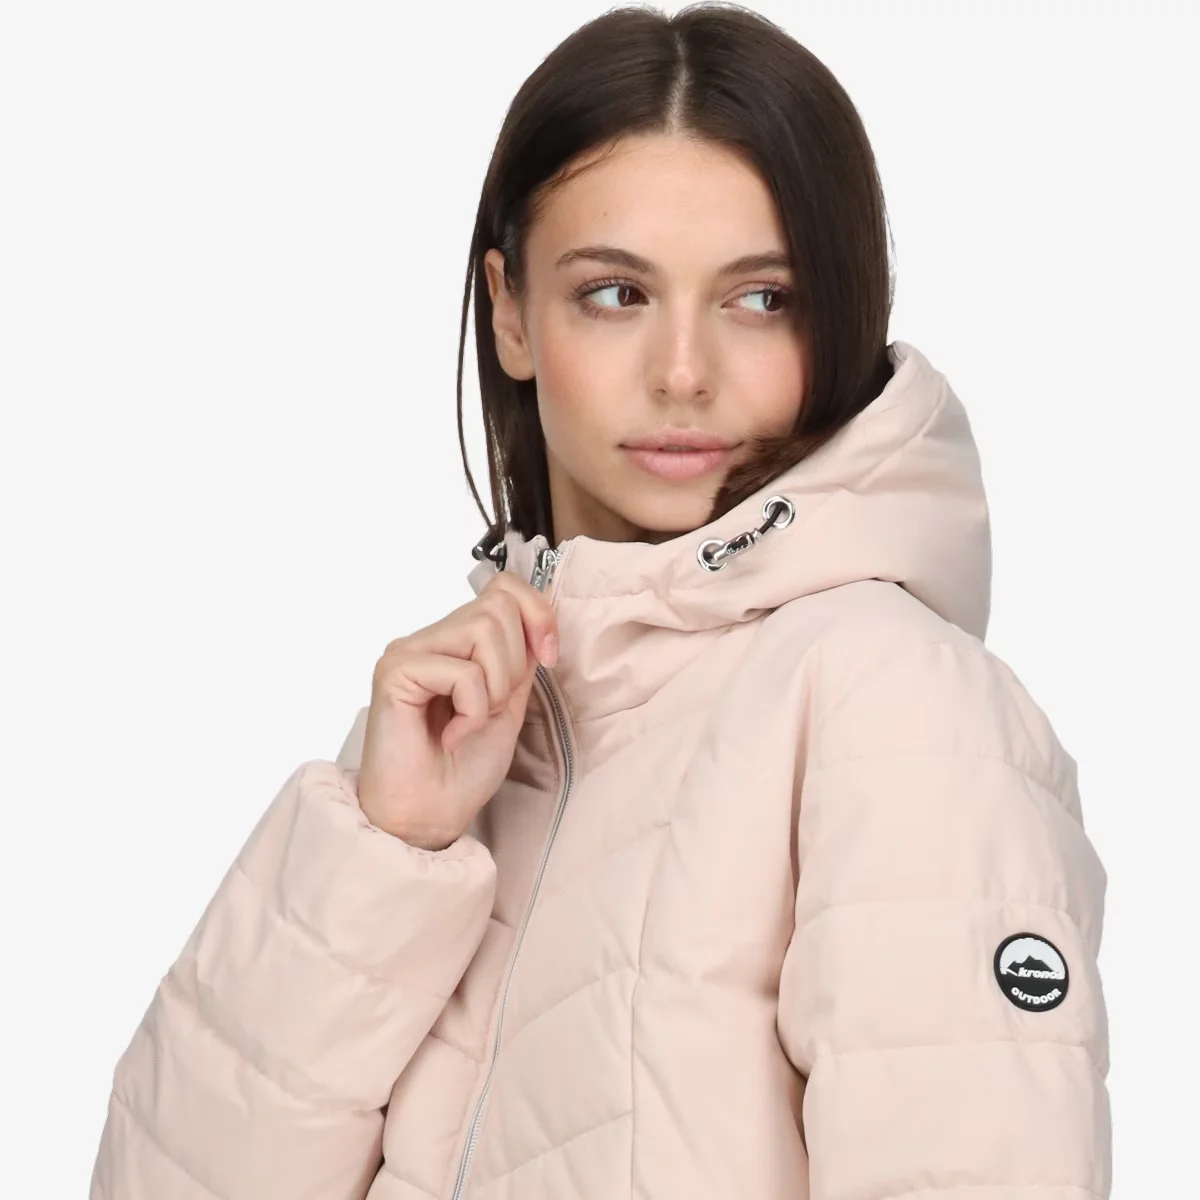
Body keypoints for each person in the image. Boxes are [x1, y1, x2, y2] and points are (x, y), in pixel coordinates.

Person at [88, 4, 1112, 1199]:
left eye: (761, 299)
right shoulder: (455, 733)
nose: (683, 373)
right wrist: (386, 854)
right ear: (510, 312)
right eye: (617, 293)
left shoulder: (890, 702)